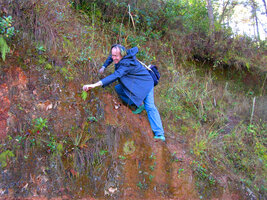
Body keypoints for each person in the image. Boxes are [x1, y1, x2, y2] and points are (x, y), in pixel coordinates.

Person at [83, 44, 165, 141]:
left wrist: (94, 85)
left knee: (150, 106)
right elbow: (111, 58)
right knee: (119, 89)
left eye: (116, 56)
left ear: (121, 55)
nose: (113, 58)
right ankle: (138, 105)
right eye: (113, 55)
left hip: (146, 83)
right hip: (136, 83)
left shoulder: (126, 64)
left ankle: (159, 134)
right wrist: (104, 66)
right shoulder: (120, 55)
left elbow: (115, 76)